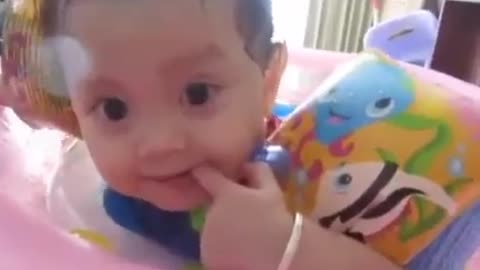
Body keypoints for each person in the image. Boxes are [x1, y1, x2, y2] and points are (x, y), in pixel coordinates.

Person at [3, 1, 475, 270]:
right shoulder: (134, 177)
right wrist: (36, 108)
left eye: (197, 93)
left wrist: (284, 247)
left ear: (269, 82)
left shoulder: (291, 170)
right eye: (113, 107)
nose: (157, 143)